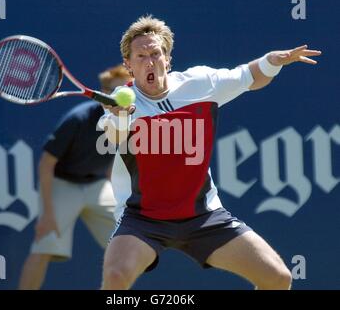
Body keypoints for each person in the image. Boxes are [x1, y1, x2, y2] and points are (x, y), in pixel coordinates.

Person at [99, 16, 321, 290]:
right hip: (142, 218)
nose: (150, 61)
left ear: (167, 58)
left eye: (156, 53)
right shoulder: (121, 100)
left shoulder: (200, 84)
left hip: (203, 216)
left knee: (278, 278)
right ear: (128, 65)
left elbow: (249, 76)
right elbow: (114, 136)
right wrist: (121, 116)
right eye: (141, 56)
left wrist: (272, 61)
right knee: (116, 278)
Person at [18, 64, 132, 290]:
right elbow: (46, 165)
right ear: (103, 95)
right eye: (115, 93)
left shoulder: (129, 122)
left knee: (129, 245)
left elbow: (111, 164)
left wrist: (123, 199)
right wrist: (47, 215)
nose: (122, 100)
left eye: (127, 92)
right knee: (43, 248)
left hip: (97, 185)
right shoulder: (78, 119)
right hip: (63, 184)